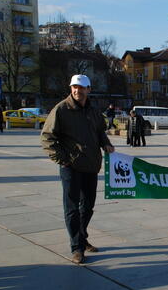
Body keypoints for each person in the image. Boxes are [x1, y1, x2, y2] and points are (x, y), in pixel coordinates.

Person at [41, 74, 115, 264]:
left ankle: (81, 237)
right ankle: (77, 247)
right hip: (71, 167)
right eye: (74, 87)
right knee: (72, 208)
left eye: (81, 88)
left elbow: (100, 131)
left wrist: (106, 143)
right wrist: (62, 159)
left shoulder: (93, 110)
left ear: (88, 89)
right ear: (71, 88)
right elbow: (47, 137)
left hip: (91, 166)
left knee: (88, 206)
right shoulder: (61, 109)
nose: (77, 90)